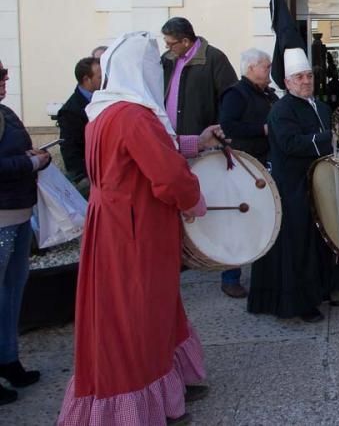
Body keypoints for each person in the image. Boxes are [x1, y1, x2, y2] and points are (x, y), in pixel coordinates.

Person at [57, 32, 225, 425]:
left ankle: (169, 384)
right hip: (136, 228)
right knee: (138, 312)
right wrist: (192, 200)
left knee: (145, 307)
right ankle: (139, 403)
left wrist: (194, 142)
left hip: (113, 224)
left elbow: (146, 152)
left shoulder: (104, 111)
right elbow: (166, 174)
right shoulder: (134, 116)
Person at [248, 33, 339, 322]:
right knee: (301, 245)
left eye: (308, 76)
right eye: (299, 77)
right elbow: (291, 144)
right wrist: (330, 137)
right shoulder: (281, 110)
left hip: (324, 183)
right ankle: (302, 303)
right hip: (294, 187)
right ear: (287, 83)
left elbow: (338, 136)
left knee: (334, 237)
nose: (306, 81)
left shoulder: (319, 106)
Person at [161, 16, 242, 297]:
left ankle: (230, 274)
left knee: (221, 207)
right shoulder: (167, 60)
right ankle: (182, 262)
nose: (168, 47)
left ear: (186, 41)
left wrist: (221, 134)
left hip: (207, 146)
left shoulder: (215, 59)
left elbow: (230, 99)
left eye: (171, 43)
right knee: (177, 208)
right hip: (174, 146)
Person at [0, 59, 47, 406]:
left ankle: (9, 360)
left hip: (18, 213)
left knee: (14, 292)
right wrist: (31, 162)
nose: (5, 78)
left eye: (4, 73)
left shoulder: (7, 112)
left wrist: (29, 155)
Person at [219, 49, 277, 170]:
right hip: (248, 160)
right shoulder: (235, 94)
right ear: (251, 68)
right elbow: (228, 126)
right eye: (266, 67)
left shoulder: (268, 93)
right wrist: (263, 129)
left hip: (270, 157)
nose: (270, 71)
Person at [57, 57, 102, 195]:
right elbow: (69, 148)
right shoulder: (70, 111)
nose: (105, 79)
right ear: (87, 79)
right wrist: (82, 178)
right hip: (89, 178)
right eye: (99, 77)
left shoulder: (102, 98)